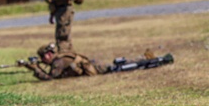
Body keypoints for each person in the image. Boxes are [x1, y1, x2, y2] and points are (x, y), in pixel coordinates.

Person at [23, 43, 173, 80]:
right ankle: (150, 60)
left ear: (49, 55)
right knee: (118, 66)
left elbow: (51, 78)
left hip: (95, 68)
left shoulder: (59, 61)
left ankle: (155, 60)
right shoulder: (60, 57)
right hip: (95, 65)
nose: (43, 60)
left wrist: (36, 69)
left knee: (119, 67)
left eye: (43, 57)